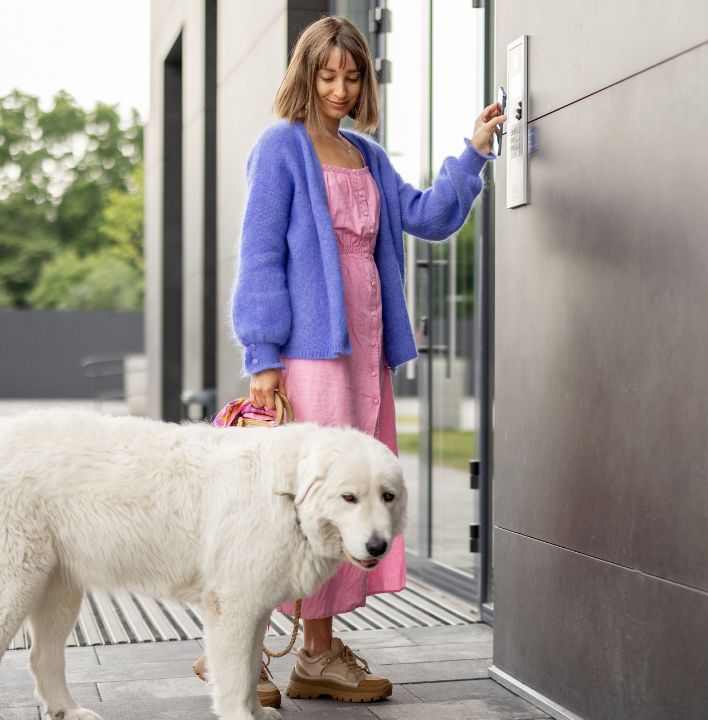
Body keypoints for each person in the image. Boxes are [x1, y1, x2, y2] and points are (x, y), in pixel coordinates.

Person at [195, 14, 504, 709]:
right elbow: (260, 254)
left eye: (352, 75)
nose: (339, 88)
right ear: (305, 75)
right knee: (298, 505)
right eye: (326, 75)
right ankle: (242, 651)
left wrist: (475, 152)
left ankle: (317, 653)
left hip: (366, 358)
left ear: (365, 79)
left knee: (350, 499)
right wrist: (262, 357)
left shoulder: (365, 153)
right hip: (308, 358)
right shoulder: (281, 147)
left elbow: (428, 215)